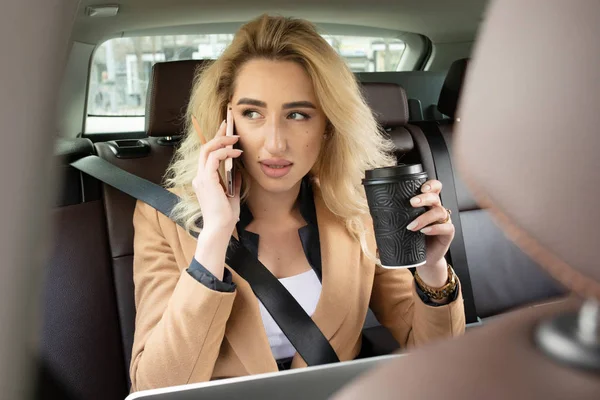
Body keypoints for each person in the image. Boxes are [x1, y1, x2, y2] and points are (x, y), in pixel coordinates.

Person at [129, 14, 465, 392]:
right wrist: (214, 237)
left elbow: (436, 356)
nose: (275, 143)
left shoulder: (357, 210)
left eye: (298, 114)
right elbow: (153, 386)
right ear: (225, 120)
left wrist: (433, 268)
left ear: (328, 126)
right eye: (252, 113)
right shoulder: (163, 218)